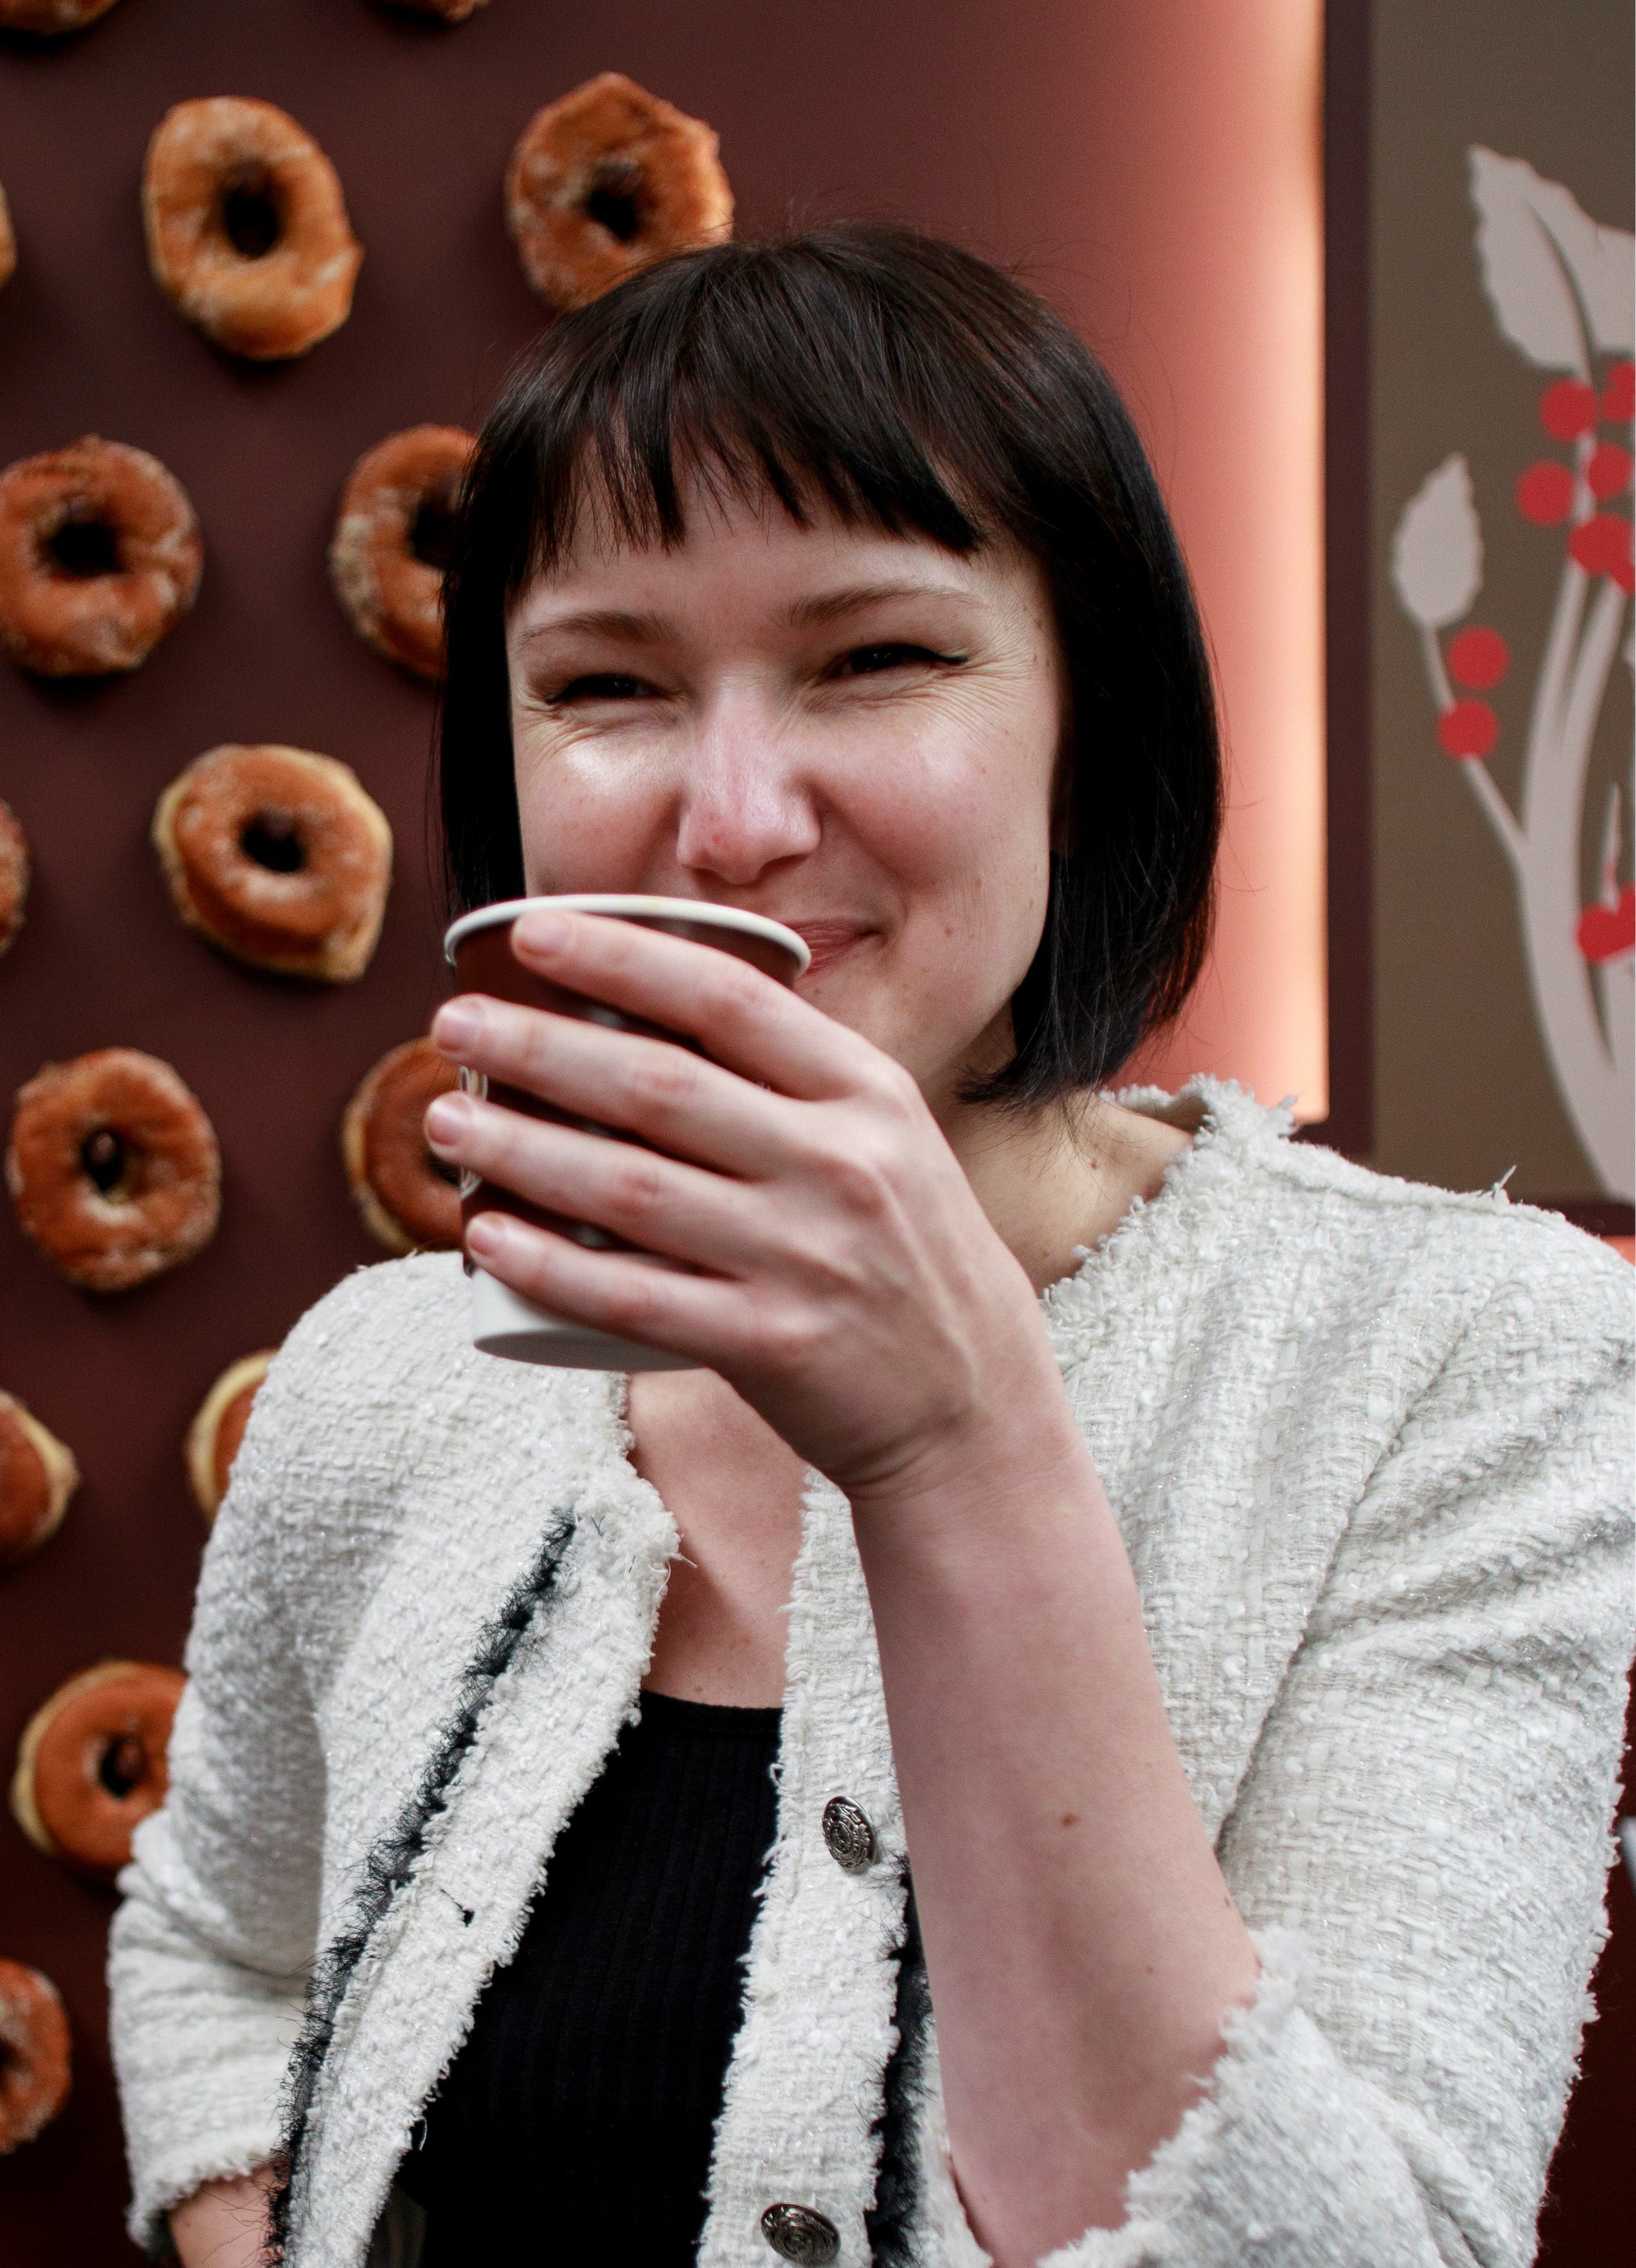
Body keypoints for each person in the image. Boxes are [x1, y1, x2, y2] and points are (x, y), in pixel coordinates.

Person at [107, 224, 1636, 2268]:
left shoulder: (1467, 1360)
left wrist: (959, 1428)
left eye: (878, 658)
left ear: (1089, 738)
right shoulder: (387, 1376)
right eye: (606, 688)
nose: (732, 818)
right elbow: (216, 1941)